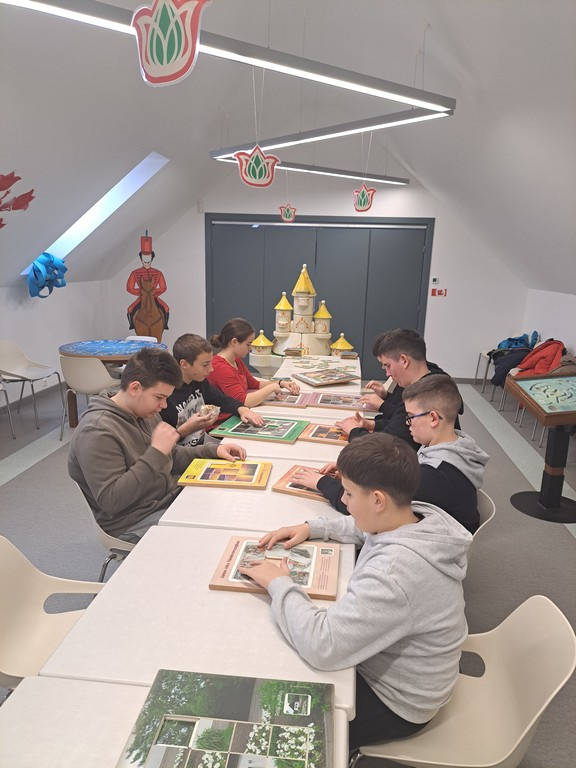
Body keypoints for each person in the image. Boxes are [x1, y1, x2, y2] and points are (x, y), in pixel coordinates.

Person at [239, 433, 471, 752]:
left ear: (377, 500)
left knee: (278, 725)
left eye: (348, 493)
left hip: (399, 700)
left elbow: (323, 645)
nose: (344, 502)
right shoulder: (413, 515)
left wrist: (278, 583)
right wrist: (312, 527)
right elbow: (361, 527)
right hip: (405, 667)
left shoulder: (394, 573)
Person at [68, 347, 246, 542]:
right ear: (135, 388)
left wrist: (213, 450)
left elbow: (171, 455)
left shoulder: (143, 411)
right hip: (133, 521)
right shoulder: (96, 432)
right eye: (159, 398)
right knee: (215, 537)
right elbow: (112, 500)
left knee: (230, 508)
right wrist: (156, 453)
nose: (164, 406)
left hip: (166, 498)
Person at [295, 375, 488, 533]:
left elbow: (368, 511)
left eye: (410, 417)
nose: (407, 423)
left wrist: (321, 482)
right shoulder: (454, 445)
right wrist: (356, 472)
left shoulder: (434, 476)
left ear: (433, 418)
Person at [336, 328, 459, 446]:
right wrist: (373, 424)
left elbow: (388, 446)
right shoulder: (421, 381)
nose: (387, 373)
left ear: (404, 360)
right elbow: (396, 421)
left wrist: (354, 431)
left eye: (388, 366)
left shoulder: (423, 396)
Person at [161, 333, 264, 445]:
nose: (211, 369)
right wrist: (185, 430)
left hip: (201, 447)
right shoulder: (166, 395)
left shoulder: (199, 381)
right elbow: (162, 445)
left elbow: (221, 399)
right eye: (205, 365)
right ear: (184, 364)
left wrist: (242, 409)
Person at [208, 317, 300, 425]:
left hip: (236, 417)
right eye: (248, 344)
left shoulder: (236, 360)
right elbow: (244, 401)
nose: (250, 348)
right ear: (234, 342)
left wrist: (281, 383)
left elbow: (254, 384)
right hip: (223, 423)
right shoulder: (220, 367)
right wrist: (271, 388)